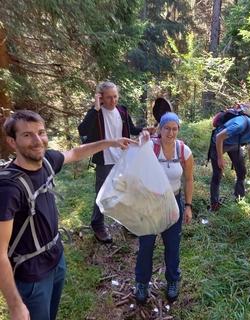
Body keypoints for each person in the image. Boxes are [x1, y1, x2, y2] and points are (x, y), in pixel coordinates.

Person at [0, 110, 135, 320]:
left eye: (41, 132)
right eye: (27, 135)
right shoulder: (8, 188)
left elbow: (75, 152)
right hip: (31, 274)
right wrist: (15, 305)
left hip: (56, 258)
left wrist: (112, 142)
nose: (38, 140)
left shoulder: (46, 161)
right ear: (12, 141)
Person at [78, 81, 155, 243]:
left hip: (123, 157)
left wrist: (144, 129)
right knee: (103, 194)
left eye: (115, 97)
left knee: (125, 190)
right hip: (104, 159)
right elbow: (83, 131)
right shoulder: (96, 113)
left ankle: (127, 223)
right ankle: (98, 225)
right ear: (101, 98)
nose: (113, 101)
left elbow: (132, 130)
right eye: (108, 97)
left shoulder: (122, 111)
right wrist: (96, 108)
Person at [134, 112, 193, 304]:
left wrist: (188, 206)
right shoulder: (151, 147)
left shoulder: (183, 150)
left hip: (173, 201)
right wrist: (141, 139)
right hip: (150, 203)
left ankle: (173, 281)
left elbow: (189, 179)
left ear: (178, 130)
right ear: (160, 129)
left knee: (172, 245)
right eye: (167, 128)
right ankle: (142, 283)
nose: (170, 132)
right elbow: (134, 161)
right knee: (146, 245)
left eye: (174, 128)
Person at [209, 114, 250, 211]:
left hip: (235, 145)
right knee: (217, 174)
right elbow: (219, 137)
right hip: (218, 143)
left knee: (242, 172)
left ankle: (239, 198)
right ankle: (214, 205)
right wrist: (220, 158)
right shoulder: (239, 125)